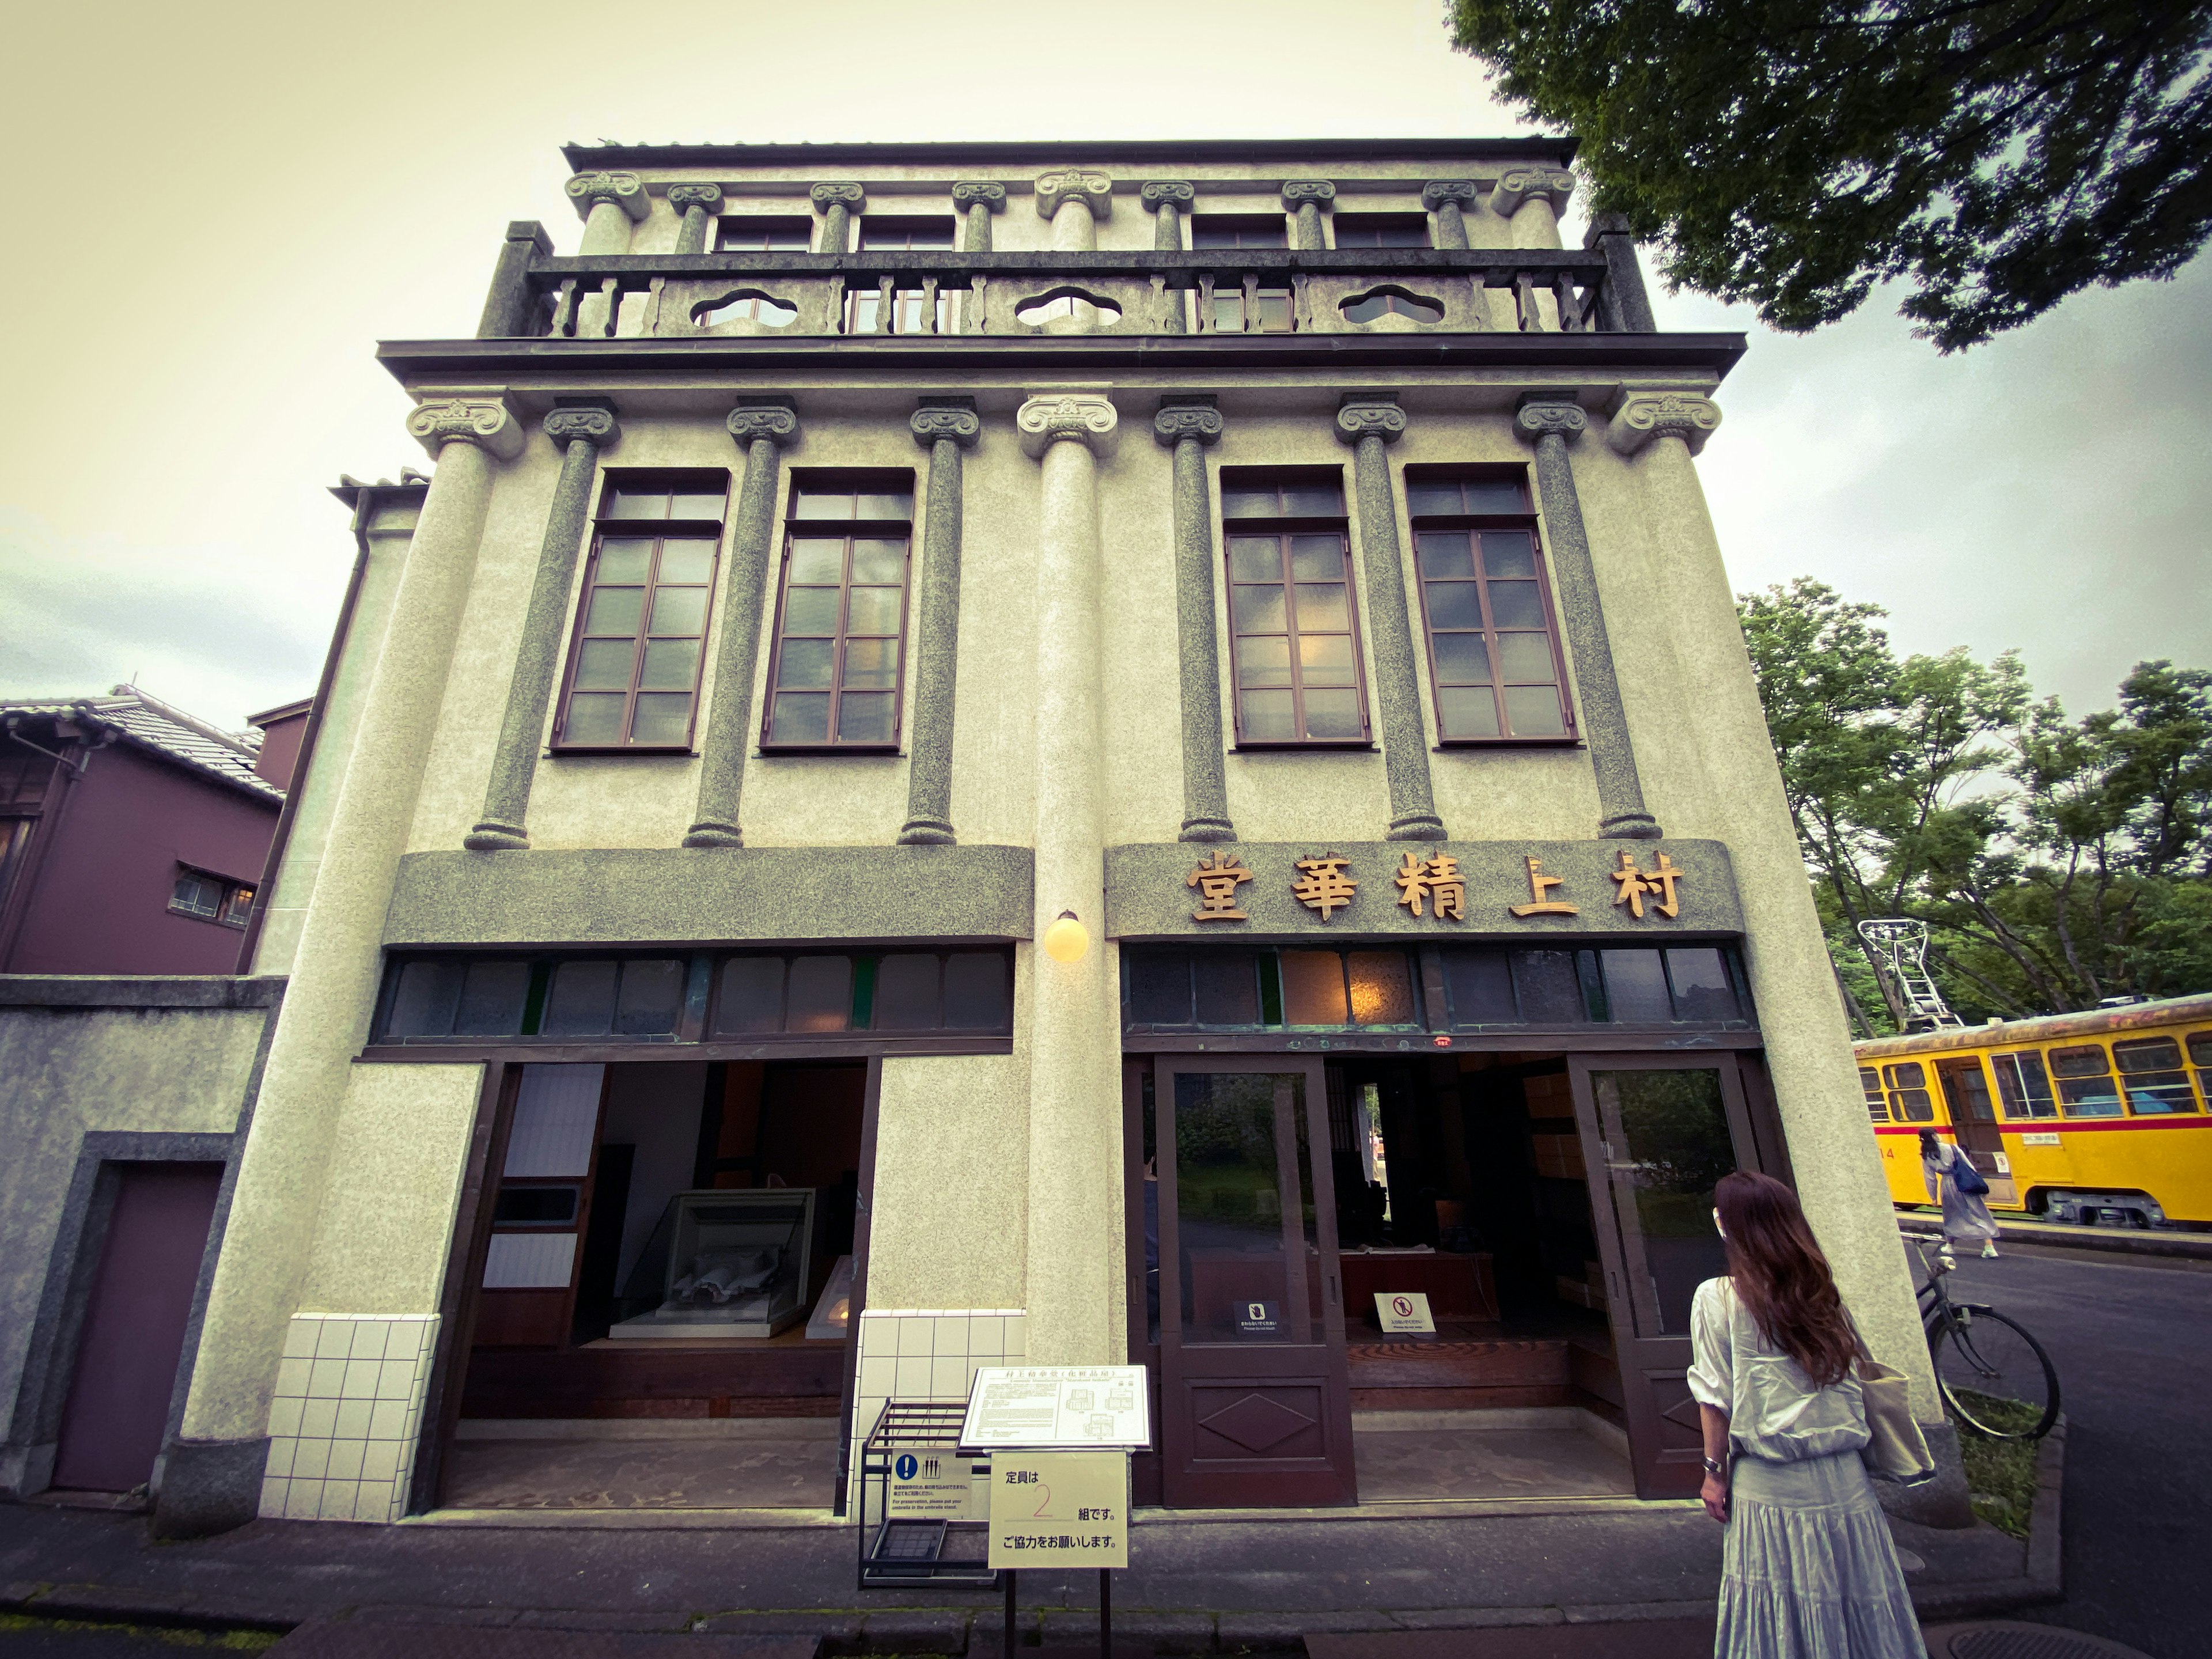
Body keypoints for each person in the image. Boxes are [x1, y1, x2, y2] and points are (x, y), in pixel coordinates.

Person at [1690, 1171, 1925, 1659]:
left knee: (1775, 1608)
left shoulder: (1718, 1299)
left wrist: (1714, 1473)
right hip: (1846, 1482)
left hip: (1769, 1482)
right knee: (1857, 1602)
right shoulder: (1822, 1295)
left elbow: (1714, 1397)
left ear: (1730, 1226)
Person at [1919, 1129, 2000, 1258]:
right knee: (1978, 1212)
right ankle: (1989, 1246)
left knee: (1952, 1215)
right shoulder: (1952, 1148)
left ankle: (1950, 1246)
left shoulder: (1926, 1156)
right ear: (1935, 1136)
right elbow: (1969, 1167)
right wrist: (1976, 1182)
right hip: (1963, 1183)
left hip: (1947, 1185)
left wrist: (1933, 1197)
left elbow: (1930, 1178)